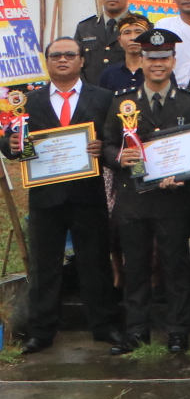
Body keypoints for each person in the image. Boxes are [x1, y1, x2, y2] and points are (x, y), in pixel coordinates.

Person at [3, 38, 128, 353]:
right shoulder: (28, 102)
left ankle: (105, 326)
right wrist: (12, 147)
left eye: (69, 54)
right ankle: (41, 331)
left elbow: (115, 140)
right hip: (45, 198)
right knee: (45, 267)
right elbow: (7, 142)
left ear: (82, 60)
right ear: (47, 61)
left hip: (88, 195)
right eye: (55, 55)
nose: (62, 60)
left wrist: (102, 148)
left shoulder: (103, 98)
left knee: (95, 263)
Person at [103, 27, 190, 354]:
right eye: (151, 57)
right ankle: (137, 331)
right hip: (134, 201)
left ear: (174, 60)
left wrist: (183, 175)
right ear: (142, 59)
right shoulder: (123, 103)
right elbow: (107, 145)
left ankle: (178, 331)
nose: (158, 63)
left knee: (175, 266)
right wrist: (122, 157)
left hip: (174, 199)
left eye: (164, 57)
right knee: (135, 267)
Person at [76, 0, 137, 82]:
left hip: (127, 98)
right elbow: (76, 66)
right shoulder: (84, 28)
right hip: (92, 97)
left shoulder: (141, 27)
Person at [99, 12, 152, 93]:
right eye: (127, 33)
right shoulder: (110, 73)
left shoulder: (158, 70)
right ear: (120, 40)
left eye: (138, 32)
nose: (133, 38)